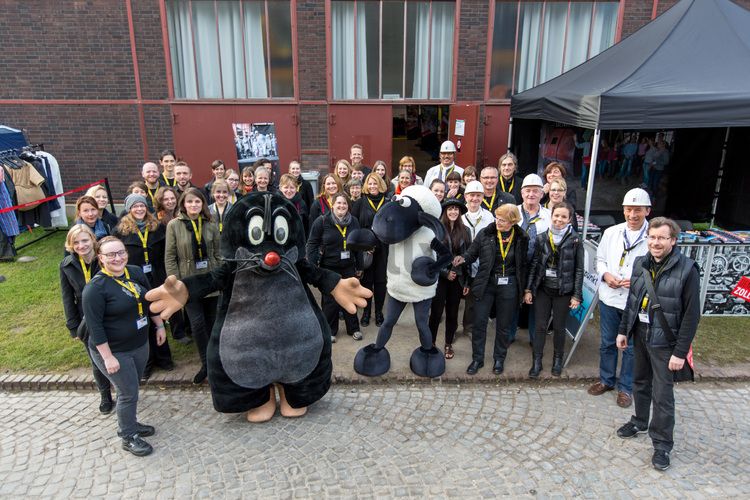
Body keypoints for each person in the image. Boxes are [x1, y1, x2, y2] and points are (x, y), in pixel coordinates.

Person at [615, 217, 700, 471]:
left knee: (663, 395)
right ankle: (640, 421)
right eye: (652, 237)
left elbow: (692, 315)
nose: (656, 242)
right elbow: (633, 300)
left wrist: (680, 352)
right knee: (640, 382)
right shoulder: (641, 262)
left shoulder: (687, 269)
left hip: (666, 342)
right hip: (641, 333)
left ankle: (662, 445)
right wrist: (624, 331)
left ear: (673, 241)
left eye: (662, 238)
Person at [83, 236, 167, 457]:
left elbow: (149, 300)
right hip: (113, 350)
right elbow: (95, 327)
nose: (117, 258)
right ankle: (128, 435)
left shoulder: (135, 272)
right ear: (100, 258)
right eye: (110, 255)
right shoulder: (95, 289)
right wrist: (108, 358)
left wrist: (159, 326)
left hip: (139, 343)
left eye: (121, 252)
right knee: (127, 392)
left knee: (132, 387)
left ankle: (131, 423)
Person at [589, 187, 652, 408]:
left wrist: (637, 282)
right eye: (628, 210)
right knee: (607, 343)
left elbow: (656, 271)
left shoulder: (652, 237)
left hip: (635, 304)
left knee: (632, 347)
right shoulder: (612, 232)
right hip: (610, 297)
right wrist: (606, 275)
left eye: (637, 210)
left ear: (647, 210)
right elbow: (600, 259)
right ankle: (606, 379)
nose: (632, 215)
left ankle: (626, 388)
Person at [454, 203, 529, 375]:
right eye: (497, 218)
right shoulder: (485, 233)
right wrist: (462, 259)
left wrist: (525, 289)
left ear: (513, 222)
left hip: (509, 285)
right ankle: (477, 359)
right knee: (479, 323)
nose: (498, 222)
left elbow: (523, 265)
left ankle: (499, 359)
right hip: (486, 283)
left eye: (502, 220)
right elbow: (471, 254)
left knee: (503, 325)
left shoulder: (521, 238)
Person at [114, 194, 173, 379]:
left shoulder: (157, 227)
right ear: (129, 209)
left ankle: (164, 358)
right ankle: (146, 362)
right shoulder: (120, 231)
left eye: (142, 206)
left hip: (155, 277)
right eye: (135, 206)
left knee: (158, 316)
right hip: (134, 280)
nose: (139, 209)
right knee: (141, 319)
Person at [165, 187, 221, 384]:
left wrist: (220, 275)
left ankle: (216, 362)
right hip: (188, 282)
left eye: (197, 202)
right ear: (183, 204)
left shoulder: (211, 224)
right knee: (197, 325)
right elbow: (170, 256)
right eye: (189, 202)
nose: (193, 205)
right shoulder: (173, 225)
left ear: (202, 204)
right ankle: (206, 364)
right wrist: (175, 282)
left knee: (213, 323)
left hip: (210, 280)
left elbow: (217, 253)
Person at [524, 202, 583, 378]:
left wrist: (576, 295)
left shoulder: (575, 240)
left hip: (563, 291)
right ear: (552, 216)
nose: (559, 219)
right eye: (557, 215)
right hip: (543, 289)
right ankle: (537, 361)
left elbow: (579, 269)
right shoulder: (542, 237)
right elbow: (534, 265)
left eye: (564, 217)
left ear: (569, 219)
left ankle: (558, 360)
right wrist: (528, 289)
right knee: (540, 326)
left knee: (559, 327)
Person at [59, 224, 113, 413]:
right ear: (70, 245)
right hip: (86, 319)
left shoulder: (105, 259)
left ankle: (124, 390)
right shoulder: (66, 265)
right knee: (96, 358)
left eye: (84, 240)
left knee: (116, 353)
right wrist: (73, 326)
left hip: (110, 312)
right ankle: (105, 395)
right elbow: (67, 298)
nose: (81, 245)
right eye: (76, 242)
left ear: (92, 239)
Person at [306, 192, 363, 342]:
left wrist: (360, 266)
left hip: (348, 266)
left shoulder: (354, 222)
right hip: (329, 267)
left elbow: (357, 244)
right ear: (332, 204)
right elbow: (312, 243)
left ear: (348, 206)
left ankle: (354, 329)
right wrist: (311, 266)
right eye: (338, 203)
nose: (342, 206)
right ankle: (330, 331)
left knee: (351, 296)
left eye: (344, 203)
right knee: (330, 300)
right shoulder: (322, 221)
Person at [509, 174, 552, 345]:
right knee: (512, 303)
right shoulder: (512, 212)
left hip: (539, 268)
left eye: (535, 191)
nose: (531, 194)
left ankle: (535, 338)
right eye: (528, 191)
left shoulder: (549, 216)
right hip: (515, 265)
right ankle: (509, 335)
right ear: (522, 193)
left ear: (542, 194)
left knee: (537, 304)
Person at [428, 198, 471, 360]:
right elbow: (431, 256)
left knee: (453, 313)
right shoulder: (436, 230)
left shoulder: (465, 231)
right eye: (450, 209)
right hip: (440, 278)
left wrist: (467, 281)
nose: (453, 212)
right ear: (445, 211)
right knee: (436, 313)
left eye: (456, 209)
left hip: (458, 279)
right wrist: (445, 272)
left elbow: (468, 257)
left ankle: (448, 344)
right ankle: (430, 343)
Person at [352, 173, 389, 328]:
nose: (373, 186)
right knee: (366, 282)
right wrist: (363, 247)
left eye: (376, 183)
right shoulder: (360, 203)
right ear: (366, 185)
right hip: (365, 250)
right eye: (370, 183)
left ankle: (379, 312)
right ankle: (366, 312)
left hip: (384, 249)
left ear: (380, 184)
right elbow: (354, 227)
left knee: (380, 282)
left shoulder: (387, 203)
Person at [153, 186, 190, 344]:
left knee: (186, 293)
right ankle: (178, 331)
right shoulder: (157, 221)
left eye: (172, 198)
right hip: (165, 264)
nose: (170, 201)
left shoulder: (182, 215)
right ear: (160, 201)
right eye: (165, 199)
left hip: (183, 261)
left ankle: (189, 327)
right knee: (172, 296)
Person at [459, 180, 495, 336]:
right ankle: (457, 326)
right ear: (466, 196)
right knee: (458, 297)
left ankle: (470, 327)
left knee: (474, 299)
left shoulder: (489, 217)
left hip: (481, 264)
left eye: (478, 196)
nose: (474, 199)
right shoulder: (459, 215)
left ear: (482, 197)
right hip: (463, 262)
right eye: (471, 195)